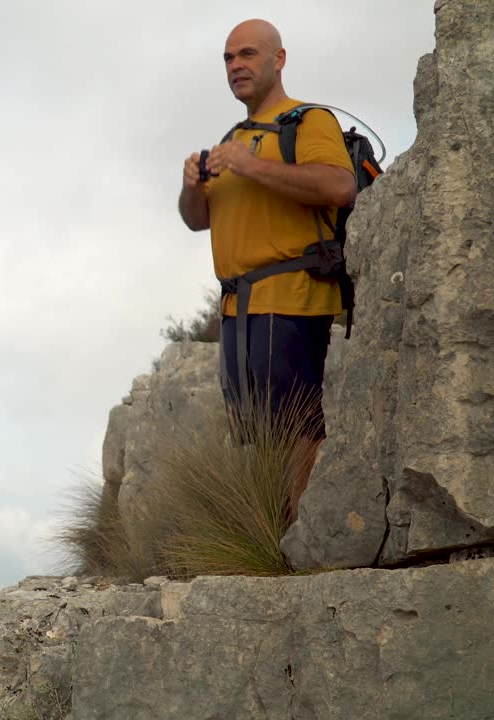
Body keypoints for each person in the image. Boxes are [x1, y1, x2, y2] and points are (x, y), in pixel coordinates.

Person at [177, 19, 355, 522]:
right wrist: (192, 185)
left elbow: (339, 187)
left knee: (297, 429)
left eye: (248, 55)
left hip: (293, 297)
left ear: (278, 59)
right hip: (238, 309)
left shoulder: (306, 122)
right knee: (258, 435)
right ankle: (275, 537)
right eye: (229, 59)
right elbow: (197, 220)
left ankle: (303, 538)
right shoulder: (231, 141)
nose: (237, 66)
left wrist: (250, 165)